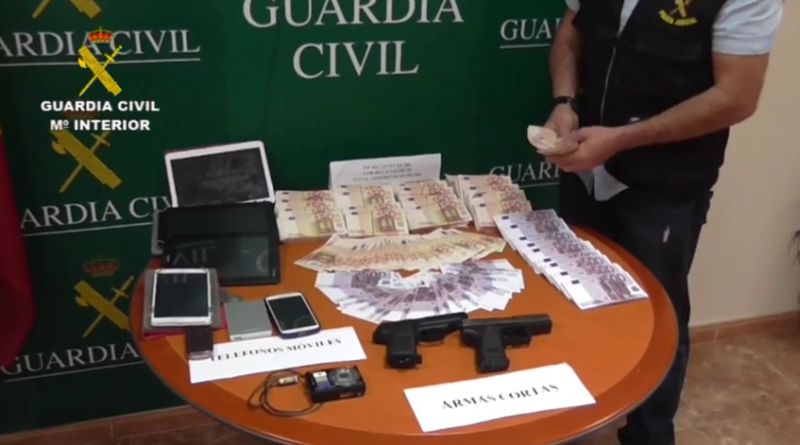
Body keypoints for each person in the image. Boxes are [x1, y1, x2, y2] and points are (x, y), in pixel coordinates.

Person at [543, 1, 784, 444]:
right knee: (574, 302)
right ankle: (575, 426)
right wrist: (564, 101)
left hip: (666, 184)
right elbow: (571, 34)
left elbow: (737, 97)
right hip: (584, 168)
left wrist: (622, 139)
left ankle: (649, 435)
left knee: (657, 319)